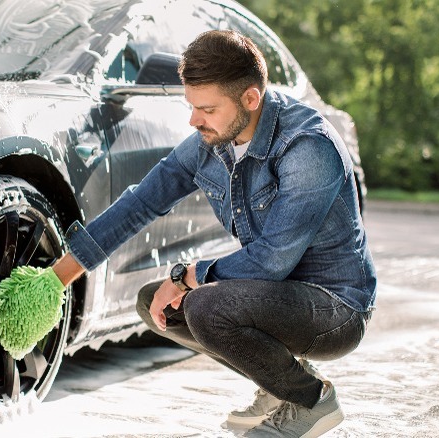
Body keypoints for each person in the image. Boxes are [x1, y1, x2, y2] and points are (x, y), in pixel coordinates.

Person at [50, 29, 377, 437]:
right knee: (156, 304)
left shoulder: (309, 147)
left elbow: (272, 259)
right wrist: (55, 279)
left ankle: (310, 401)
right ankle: (278, 385)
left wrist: (187, 276)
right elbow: (143, 201)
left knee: (205, 306)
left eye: (205, 108)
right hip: (272, 298)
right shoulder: (213, 141)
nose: (193, 120)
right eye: (191, 106)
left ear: (250, 99)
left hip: (335, 309)